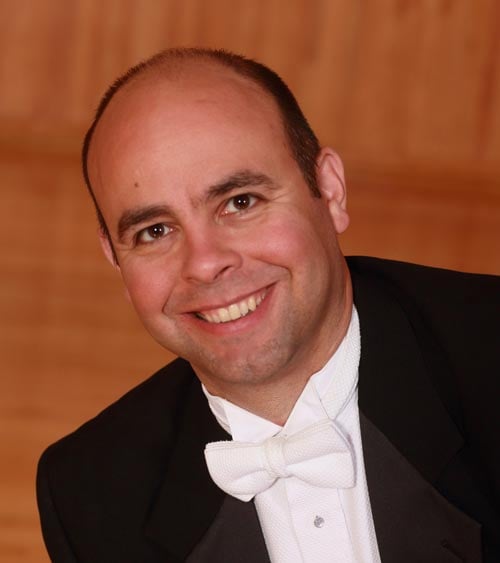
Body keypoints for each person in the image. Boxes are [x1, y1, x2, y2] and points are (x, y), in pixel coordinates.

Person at [37, 48, 500, 563]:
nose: (206, 264)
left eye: (240, 202)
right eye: (156, 231)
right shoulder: (89, 492)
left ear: (329, 189)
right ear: (115, 257)